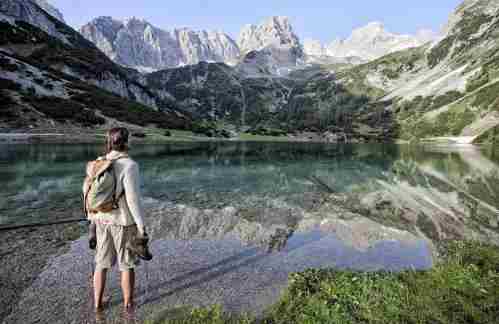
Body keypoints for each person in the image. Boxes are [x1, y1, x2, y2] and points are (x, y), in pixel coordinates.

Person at [86, 127, 147, 313]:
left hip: (100, 220)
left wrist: (91, 218)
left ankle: (97, 304)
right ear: (127, 142)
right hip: (122, 222)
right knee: (126, 264)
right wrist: (141, 225)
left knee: (101, 264)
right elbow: (132, 199)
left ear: (109, 141)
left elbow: (88, 192)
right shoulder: (130, 165)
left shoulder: (99, 162)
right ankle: (128, 304)